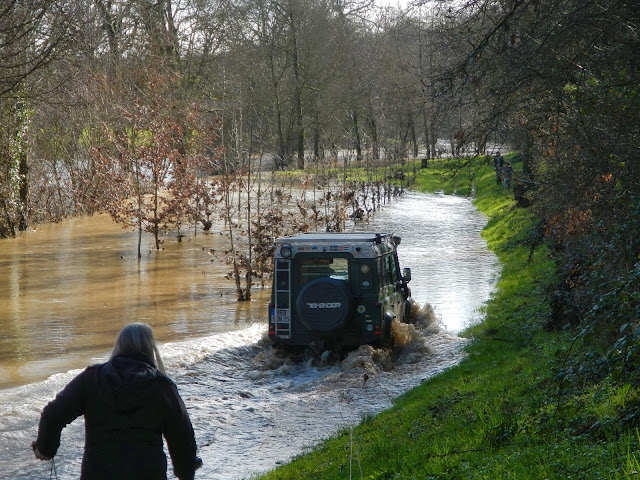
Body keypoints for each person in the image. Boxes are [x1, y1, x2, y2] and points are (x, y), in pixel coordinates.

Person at [32, 322, 202, 480]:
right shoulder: (162, 386)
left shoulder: (91, 379)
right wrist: (184, 473)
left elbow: (53, 414)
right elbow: (182, 439)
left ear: (119, 346)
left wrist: (45, 449)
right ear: (151, 349)